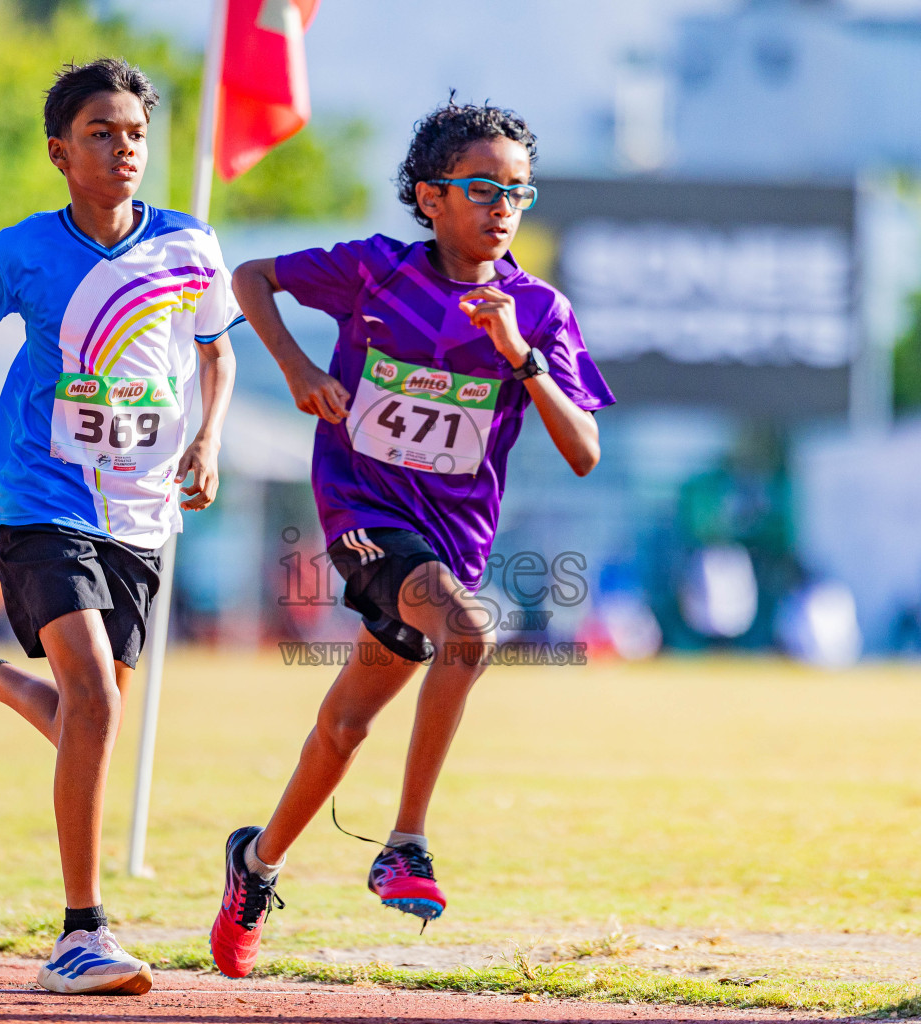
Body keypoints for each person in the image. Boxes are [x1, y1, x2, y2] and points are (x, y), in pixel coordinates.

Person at [209, 99, 615, 979]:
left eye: (519, 192)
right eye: (482, 188)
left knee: (345, 727)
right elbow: (249, 277)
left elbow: (584, 451)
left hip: (449, 545)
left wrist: (521, 357)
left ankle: (256, 864)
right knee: (470, 631)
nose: (503, 207)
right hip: (362, 516)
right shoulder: (374, 273)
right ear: (430, 198)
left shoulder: (539, 312)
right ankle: (405, 844)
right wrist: (297, 367)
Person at [0, 59, 239, 996]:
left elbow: (216, 357)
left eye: (135, 132)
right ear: (60, 151)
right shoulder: (20, 252)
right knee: (94, 702)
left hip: (143, 509)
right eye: (102, 132)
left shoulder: (191, 246)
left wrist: (209, 442)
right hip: (39, 494)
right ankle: (80, 931)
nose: (124, 147)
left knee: (84, 723)